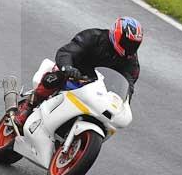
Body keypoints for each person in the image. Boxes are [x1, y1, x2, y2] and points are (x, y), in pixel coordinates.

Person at [15, 17, 143, 129]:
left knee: (111, 117)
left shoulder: (131, 63)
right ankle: (28, 106)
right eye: (127, 42)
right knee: (55, 78)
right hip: (75, 73)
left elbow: (128, 85)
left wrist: (123, 103)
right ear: (116, 34)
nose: (129, 47)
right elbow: (67, 51)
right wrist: (68, 67)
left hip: (98, 89)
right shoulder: (93, 37)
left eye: (133, 45)